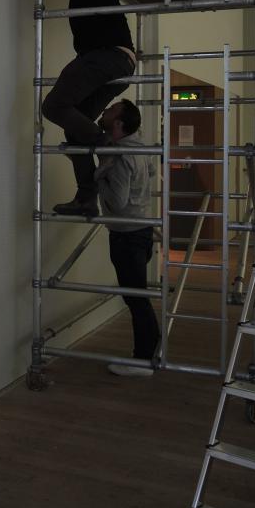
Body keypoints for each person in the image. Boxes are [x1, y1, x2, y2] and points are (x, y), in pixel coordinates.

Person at [24, 0, 136, 216]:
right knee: (76, 129)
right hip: (120, 65)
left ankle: (104, 146)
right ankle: (87, 198)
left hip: (104, 58)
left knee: (54, 107)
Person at [94, 98, 160, 376]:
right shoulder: (140, 147)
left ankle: (144, 360)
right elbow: (153, 171)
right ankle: (150, 353)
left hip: (127, 234)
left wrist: (100, 175)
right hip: (141, 231)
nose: (104, 112)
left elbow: (118, 202)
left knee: (135, 298)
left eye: (110, 111)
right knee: (137, 296)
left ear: (118, 123)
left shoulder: (121, 156)